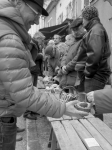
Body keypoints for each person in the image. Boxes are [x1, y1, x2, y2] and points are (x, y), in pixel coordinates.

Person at [0, 0, 88, 149]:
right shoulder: (9, 38)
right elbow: (24, 93)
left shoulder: (7, 32)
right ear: (18, 3)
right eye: (35, 14)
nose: (36, 21)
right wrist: (63, 108)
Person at [75, 6, 111, 120]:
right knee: (93, 105)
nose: (82, 21)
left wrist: (88, 73)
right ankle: (95, 132)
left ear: (86, 17)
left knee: (93, 106)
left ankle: (96, 133)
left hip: (95, 74)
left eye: (82, 18)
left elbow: (95, 55)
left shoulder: (96, 30)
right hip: (95, 73)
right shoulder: (95, 29)